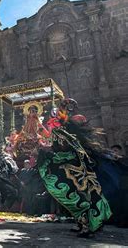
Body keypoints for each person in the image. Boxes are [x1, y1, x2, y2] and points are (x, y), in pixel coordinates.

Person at [37, 99, 112, 237]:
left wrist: (51, 153)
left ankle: (89, 226)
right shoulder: (63, 132)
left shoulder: (70, 135)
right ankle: (82, 223)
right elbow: (58, 146)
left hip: (78, 170)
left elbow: (68, 149)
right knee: (77, 196)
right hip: (72, 168)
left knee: (83, 197)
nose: (54, 121)